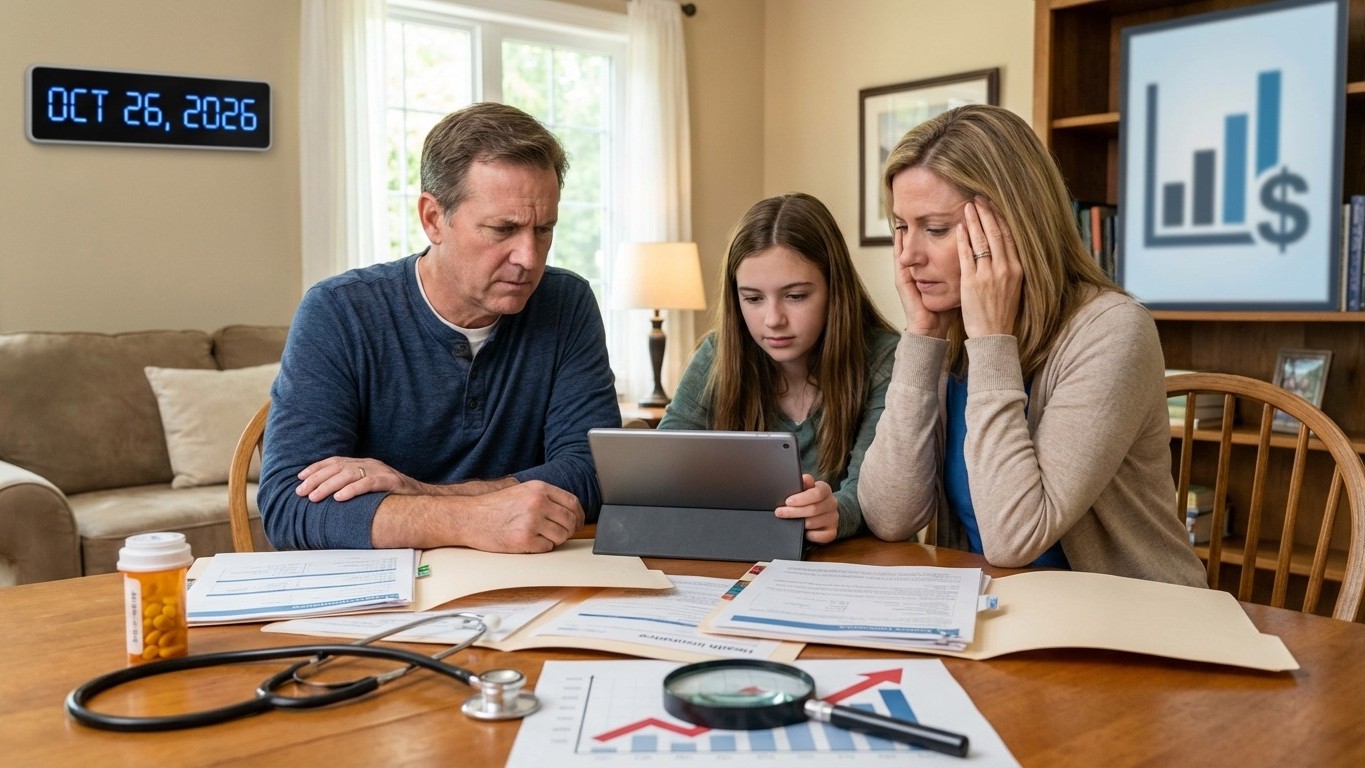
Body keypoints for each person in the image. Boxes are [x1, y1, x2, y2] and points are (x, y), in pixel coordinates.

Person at [858, 104, 1206, 586]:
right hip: (1004, 615)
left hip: (1129, 624)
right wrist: (920, 339)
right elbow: (890, 516)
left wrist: (992, 342)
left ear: (1011, 225)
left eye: (935, 229)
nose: (909, 255)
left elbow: (1014, 538)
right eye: (901, 226)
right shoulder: (948, 327)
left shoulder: (1112, 330)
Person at [258, 102, 621, 554]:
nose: (529, 258)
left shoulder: (567, 303)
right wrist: (470, 520)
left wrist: (416, 492)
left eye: (543, 229)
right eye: (502, 229)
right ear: (433, 219)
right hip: (383, 595)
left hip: (522, 580)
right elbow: (289, 509)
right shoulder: (339, 311)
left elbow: (592, 472)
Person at [658, 193, 899, 544]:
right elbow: (663, 464)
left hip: (848, 569)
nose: (773, 320)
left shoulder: (884, 360)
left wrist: (836, 512)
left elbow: (872, 495)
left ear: (835, 288)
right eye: (753, 299)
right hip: (738, 560)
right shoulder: (716, 354)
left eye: (796, 296)